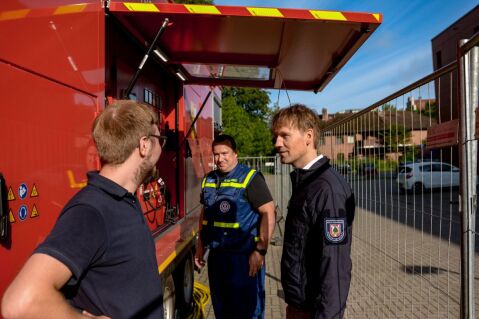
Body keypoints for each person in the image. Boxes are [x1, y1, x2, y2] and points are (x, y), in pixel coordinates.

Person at [2, 100, 165, 319]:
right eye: (159, 140)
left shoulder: (122, 199)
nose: (161, 147)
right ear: (144, 145)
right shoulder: (92, 212)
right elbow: (21, 302)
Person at [271, 104, 355, 319]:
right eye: (275, 137)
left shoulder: (327, 189)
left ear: (309, 136)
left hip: (313, 310)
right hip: (298, 303)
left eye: (284, 136)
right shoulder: (307, 181)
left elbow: (335, 265)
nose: (277, 144)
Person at [194, 134, 276, 319]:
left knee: (248, 312)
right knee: (222, 310)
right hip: (217, 258)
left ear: (236, 153)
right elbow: (204, 213)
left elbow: (269, 212)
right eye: (216, 154)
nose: (220, 159)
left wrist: (260, 251)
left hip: (244, 259)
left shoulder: (250, 178)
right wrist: (200, 244)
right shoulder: (209, 180)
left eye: (225, 153)